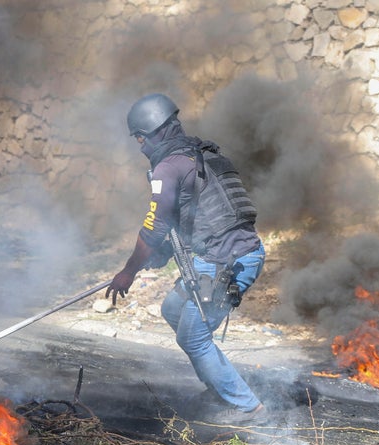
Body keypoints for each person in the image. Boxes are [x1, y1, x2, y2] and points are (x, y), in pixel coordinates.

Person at [103, 93, 266, 421]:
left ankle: (248, 406)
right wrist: (164, 253)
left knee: (193, 336)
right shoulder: (201, 155)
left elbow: (153, 227)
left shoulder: (168, 167)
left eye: (140, 138)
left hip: (224, 265)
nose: (139, 146)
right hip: (230, 256)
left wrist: (128, 272)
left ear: (155, 132)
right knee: (172, 308)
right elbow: (201, 215)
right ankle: (219, 387)